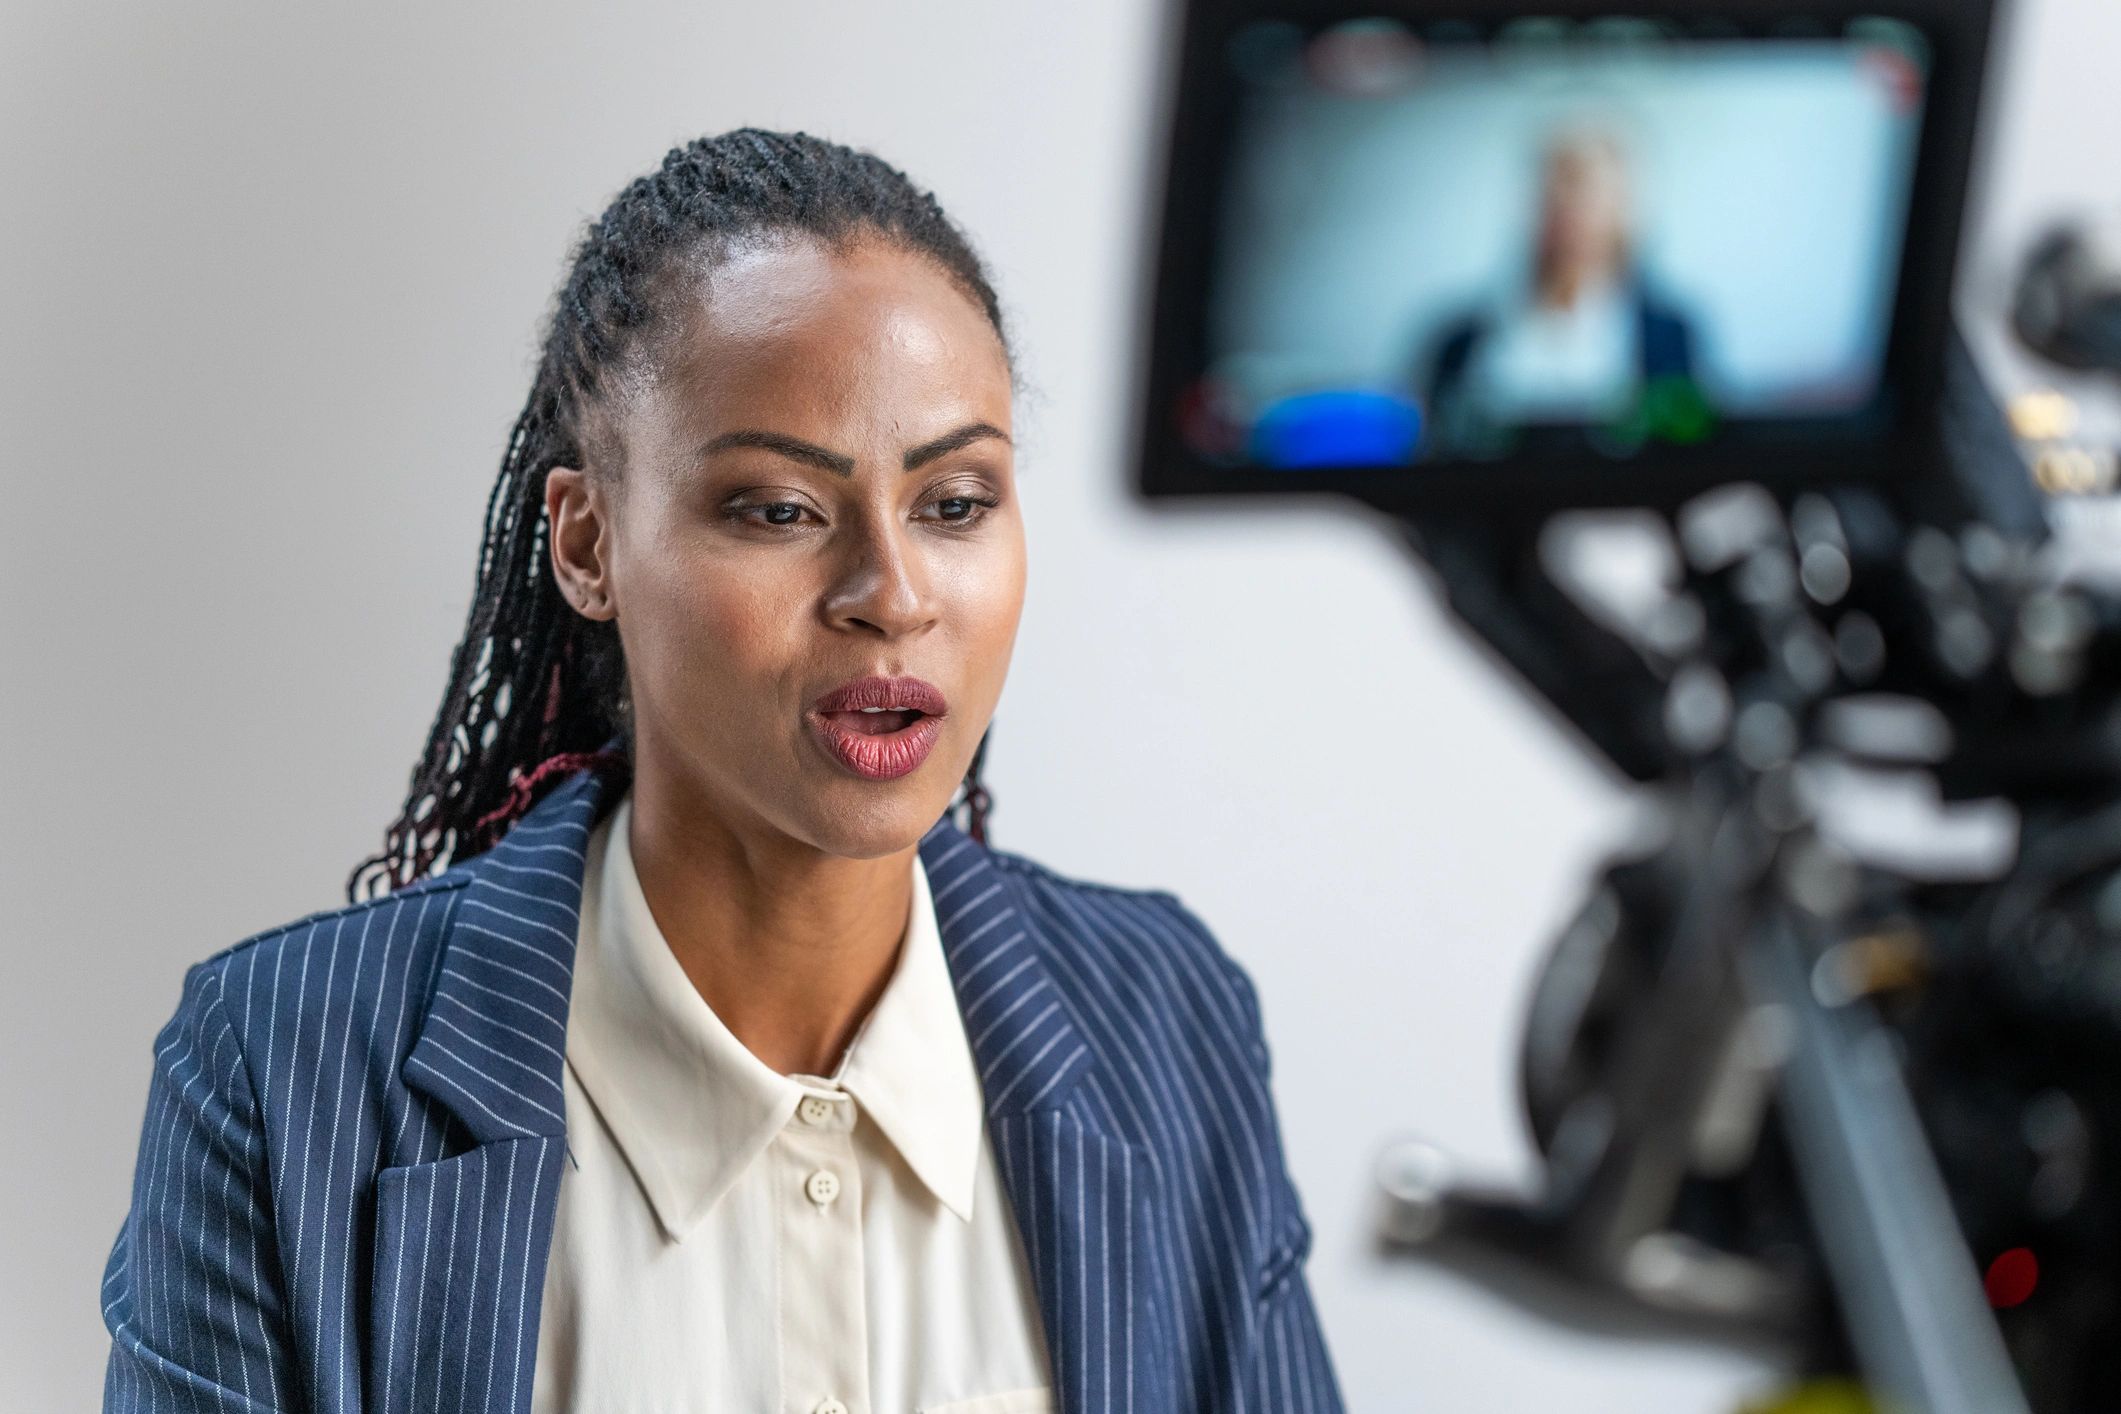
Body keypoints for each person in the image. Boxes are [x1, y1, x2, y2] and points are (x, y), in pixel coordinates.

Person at [99, 129, 1345, 1413]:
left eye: (956, 502)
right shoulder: (282, 1070)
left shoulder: (1169, 1019)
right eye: (778, 510)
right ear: (586, 546)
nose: (892, 595)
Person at [1418, 122, 1703, 454]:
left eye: (1586, 186)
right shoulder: (1460, 338)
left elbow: (1689, 449)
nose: (1568, 203)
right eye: (1557, 183)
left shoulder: (1671, 334)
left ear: (1623, 203)